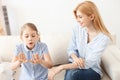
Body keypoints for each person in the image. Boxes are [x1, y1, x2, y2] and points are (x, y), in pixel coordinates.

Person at [48, 1, 112, 80]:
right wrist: (76, 59)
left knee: (73, 74)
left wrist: (61, 67)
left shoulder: (104, 38)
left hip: (92, 70)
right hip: (73, 64)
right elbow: (71, 49)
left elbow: (88, 63)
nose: (77, 20)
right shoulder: (77, 29)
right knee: (72, 73)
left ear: (91, 17)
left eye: (80, 17)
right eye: (77, 17)